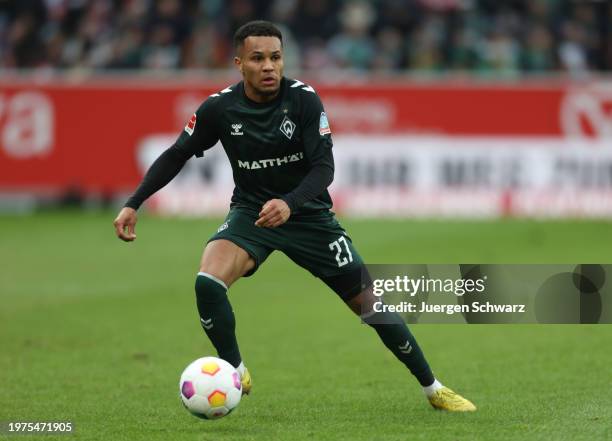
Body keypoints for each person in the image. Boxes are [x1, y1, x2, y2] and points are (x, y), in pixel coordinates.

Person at [113, 20, 476, 412]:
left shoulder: (303, 100)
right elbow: (175, 154)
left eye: (276, 57)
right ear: (239, 63)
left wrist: (289, 202)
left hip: (309, 217)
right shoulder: (220, 108)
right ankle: (234, 368)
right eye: (258, 58)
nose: (269, 66)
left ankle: (433, 388)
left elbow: (324, 169)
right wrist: (135, 201)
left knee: (371, 306)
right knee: (207, 282)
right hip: (252, 214)